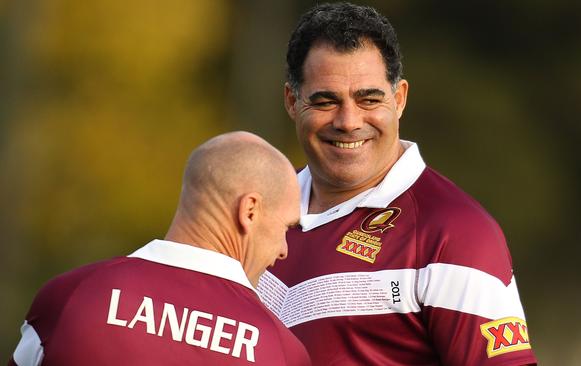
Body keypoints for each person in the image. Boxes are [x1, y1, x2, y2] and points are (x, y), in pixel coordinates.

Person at [257, 3, 538, 365]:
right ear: (292, 102)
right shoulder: (254, 209)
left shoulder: (455, 233)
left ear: (400, 99)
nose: (348, 121)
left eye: (368, 99)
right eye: (326, 101)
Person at [9, 132, 311, 365]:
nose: (284, 249)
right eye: (286, 227)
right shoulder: (280, 350)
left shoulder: (70, 297)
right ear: (250, 211)